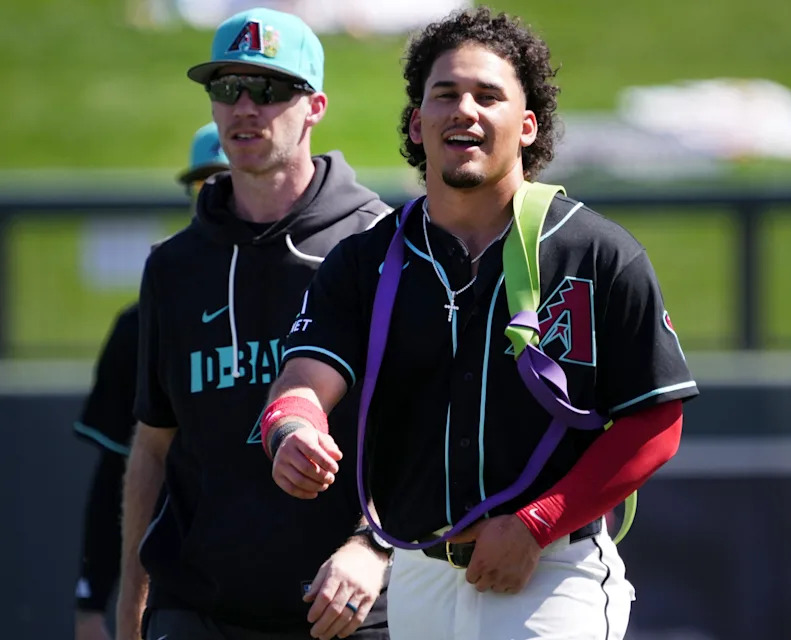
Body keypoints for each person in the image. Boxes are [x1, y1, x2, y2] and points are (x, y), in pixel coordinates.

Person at [262, 7, 698, 639]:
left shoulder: (596, 253)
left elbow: (656, 422)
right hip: (416, 570)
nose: (464, 109)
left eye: (488, 96)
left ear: (526, 126)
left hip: (552, 567)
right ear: (418, 122)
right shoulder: (365, 260)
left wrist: (537, 523)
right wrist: (291, 430)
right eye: (445, 95)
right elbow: (303, 381)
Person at [116, 8, 392, 640]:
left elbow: (427, 430)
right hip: (197, 609)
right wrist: (133, 598)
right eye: (224, 88)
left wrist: (374, 546)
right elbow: (154, 443)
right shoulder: (172, 265)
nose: (244, 107)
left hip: (348, 607)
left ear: (314, 105)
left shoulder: (378, 243)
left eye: (267, 90)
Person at [74, 123, 229, 640]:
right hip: (179, 585)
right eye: (206, 185)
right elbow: (119, 466)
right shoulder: (145, 316)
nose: (218, 196)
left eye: (228, 180)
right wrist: (93, 600)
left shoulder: (314, 290)